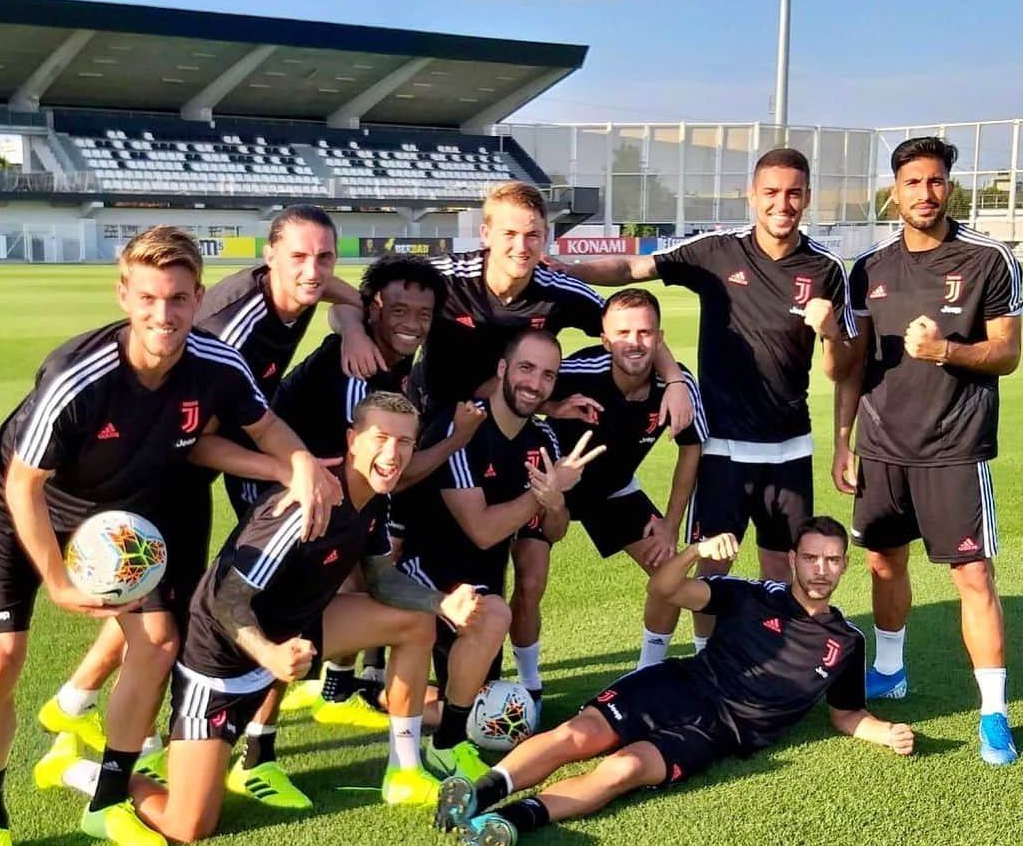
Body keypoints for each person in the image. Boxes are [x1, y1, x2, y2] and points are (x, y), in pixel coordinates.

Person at [0, 226, 335, 846]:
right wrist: (56, 578)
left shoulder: (216, 363)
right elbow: (23, 484)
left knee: (158, 643)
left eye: (180, 299)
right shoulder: (79, 374)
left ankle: (106, 802)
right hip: (16, 508)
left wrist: (299, 461)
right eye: (150, 298)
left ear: (197, 299)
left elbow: (263, 425)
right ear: (125, 296)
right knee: (1, 656)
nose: (165, 315)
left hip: (113, 523)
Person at [33, 392, 505, 842]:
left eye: (405, 442)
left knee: (414, 622)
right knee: (186, 825)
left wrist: (439, 603)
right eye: (381, 438)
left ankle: (404, 771)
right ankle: (76, 769)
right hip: (221, 660)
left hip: (291, 633)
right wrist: (270, 655)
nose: (393, 453)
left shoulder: (373, 497)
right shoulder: (303, 506)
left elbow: (382, 581)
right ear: (351, 440)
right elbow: (225, 600)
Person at [331, 181, 693, 702]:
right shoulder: (446, 277)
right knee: (386, 549)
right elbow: (353, 301)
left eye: (533, 235)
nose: (521, 247)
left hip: (496, 439)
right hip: (425, 436)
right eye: (509, 234)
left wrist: (675, 378)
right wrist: (353, 331)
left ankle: (467, 685)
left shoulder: (556, 289)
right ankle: (352, 677)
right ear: (485, 234)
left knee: (481, 562)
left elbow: (628, 326)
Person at [36, 206, 347, 807]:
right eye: (299, 258)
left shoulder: (299, 286)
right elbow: (198, 439)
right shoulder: (232, 329)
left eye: (325, 258)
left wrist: (354, 316)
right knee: (177, 615)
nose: (313, 272)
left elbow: (319, 283)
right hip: (171, 471)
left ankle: (75, 705)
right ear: (269, 257)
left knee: (160, 612)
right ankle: (222, 744)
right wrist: (287, 465)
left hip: (200, 460)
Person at [433, 517, 915, 846]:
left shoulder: (846, 642)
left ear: (844, 566)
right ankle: (478, 794)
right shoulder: (747, 595)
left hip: (721, 730)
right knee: (575, 737)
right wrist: (693, 553)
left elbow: (846, 715)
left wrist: (886, 732)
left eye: (832, 560)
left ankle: (511, 822)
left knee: (624, 768)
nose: (821, 569)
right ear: (793, 559)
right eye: (811, 558)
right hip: (679, 683)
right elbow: (664, 590)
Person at [552, 149, 855, 654]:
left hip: (789, 447)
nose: (783, 204)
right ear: (753, 196)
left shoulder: (826, 268)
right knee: (713, 563)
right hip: (723, 448)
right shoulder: (717, 251)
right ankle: (705, 661)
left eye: (794, 193)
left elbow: (843, 369)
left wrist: (830, 333)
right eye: (772, 193)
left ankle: (767, 655)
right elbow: (632, 266)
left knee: (780, 568)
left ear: (806, 198)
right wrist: (563, 267)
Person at [834, 136, 1021, 765]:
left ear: (950, 187)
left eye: (936, 181)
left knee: (973, 575)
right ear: (895, 191)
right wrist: (843, 440)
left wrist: (947, 351)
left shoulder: (988, 259)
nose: (925, 193)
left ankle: (993, 712)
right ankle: (890, 669)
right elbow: (852, 366)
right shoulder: (870, 268)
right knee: (883, 564)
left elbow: (1008, 352)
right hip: (883, 447)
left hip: (955, 447)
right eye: (913, 182)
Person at [266, 254, 486, 726]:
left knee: (356, 582)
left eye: (423, 315)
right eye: (399, 311)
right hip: (283, 500)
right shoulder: (359, 370)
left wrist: (351, 325)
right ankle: (260, 742)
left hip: (325, 493)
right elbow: (389, 472)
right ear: (374, 310)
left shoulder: (385, 358)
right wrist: (458, 439)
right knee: (293, 606)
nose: (412, 324)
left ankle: (335, 690)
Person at [399, 328, 603, 782]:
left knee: (475, 691)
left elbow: (556, 530)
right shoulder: (463, 427)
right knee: (491, 619)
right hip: (424, 571)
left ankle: (416, 709)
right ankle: (445, 744)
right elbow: (484, 531)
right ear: (503, 370)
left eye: (548, 375)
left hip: (481, 578)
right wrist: (541, 495)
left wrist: (555, 500)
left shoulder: (545, 439)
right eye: (527, 368)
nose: (536, 383)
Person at [543, 287, 707, 668]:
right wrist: (552, 406)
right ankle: (530, 682)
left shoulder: (678, 386)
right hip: (553, 487)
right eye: (623, 333)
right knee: (530, 579)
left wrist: (669, 524)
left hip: (615, 491)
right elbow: (520, 393)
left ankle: (648, 670)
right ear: (605, 340)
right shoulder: (578, 371)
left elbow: (691, 449)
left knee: (669, 569)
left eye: (645, 333)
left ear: (660, 338)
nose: (634, 343)